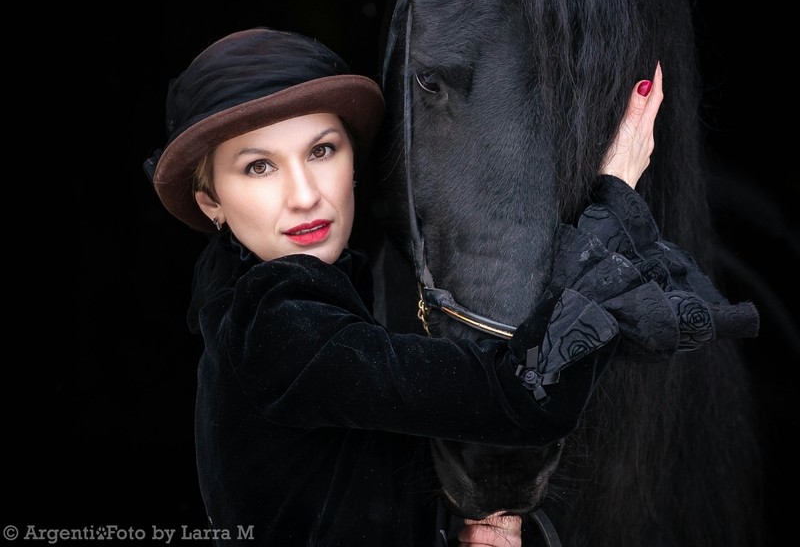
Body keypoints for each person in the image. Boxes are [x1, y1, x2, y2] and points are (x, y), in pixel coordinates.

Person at [143, 27, 758, 546]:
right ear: (211, 201)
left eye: (322, 150)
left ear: (353, 160)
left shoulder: (269, 307)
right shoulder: (276, 322)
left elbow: (338, 499)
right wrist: (612, 203)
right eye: (259, 166)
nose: (305, 194)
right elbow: (523, 400)